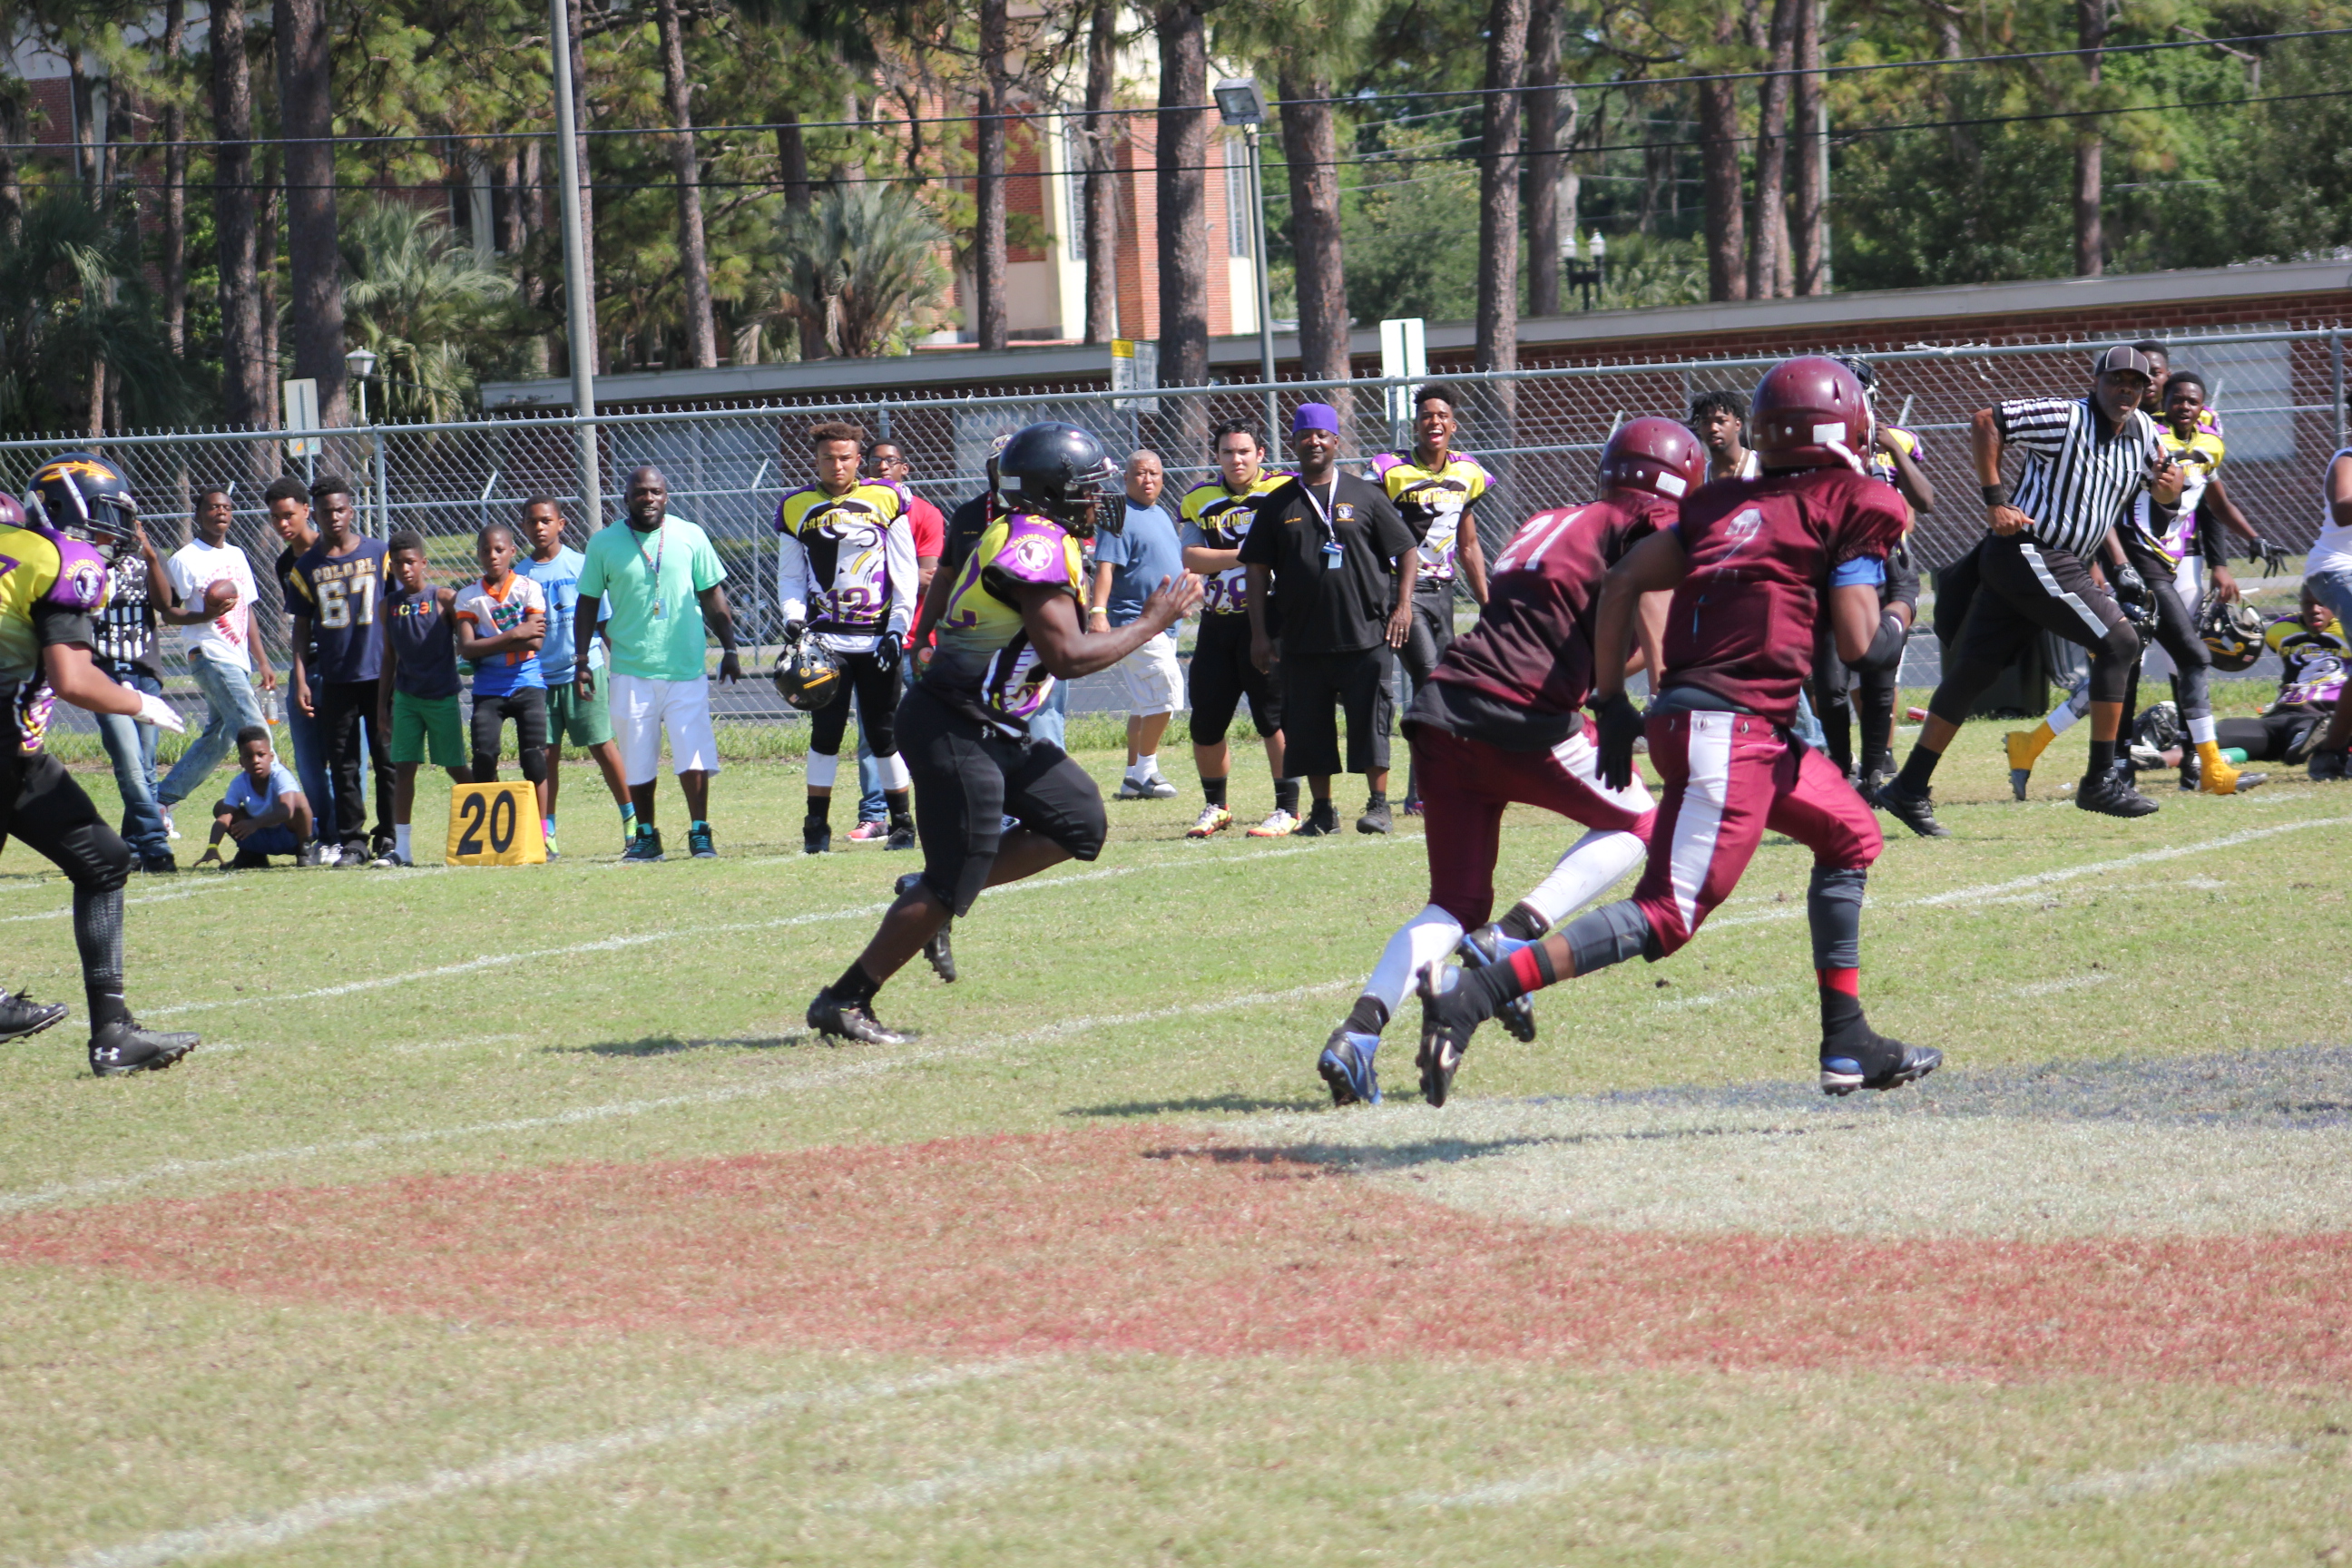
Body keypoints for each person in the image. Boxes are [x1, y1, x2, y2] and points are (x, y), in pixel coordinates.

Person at [1416, 359, 1936, 1104]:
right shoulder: (1855, 500)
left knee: (1850, 834)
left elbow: (1626, 580)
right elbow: (1863, 647)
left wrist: (1610, 702)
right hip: (1732, 729)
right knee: (1667, 914)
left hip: (1704, 719)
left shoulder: (1720, 502)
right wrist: (1902, 605)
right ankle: (1477, 992)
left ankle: (1847, 1039)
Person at [1317, 418, 1698, 1107]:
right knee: (1641, 822)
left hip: (1444, 708)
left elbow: (1575, 636)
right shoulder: (1646, 531)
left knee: (1454, 903)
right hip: (1521, 716)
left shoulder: (1548, 521)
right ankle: (1512, 938)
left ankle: (1358, 1035)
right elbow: (1662, 657)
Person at [805, 421, 1201, 1044]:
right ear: (1050, 491)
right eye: (1088, 486)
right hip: (954, 724)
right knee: (951, 877)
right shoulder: (1034, 547)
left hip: (991, 724)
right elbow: (1068, 656)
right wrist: (1153, 621)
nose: (1099, 498)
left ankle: (932, 890)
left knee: (1079, 821)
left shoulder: (1036, 533)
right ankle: (845, 999)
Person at [1875, 346, 2185, 835]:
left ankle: (1908, 787)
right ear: (2097, 381)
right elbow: (1986, 421)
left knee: (1974, 671)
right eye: (2116, 379)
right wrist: (1995, 501)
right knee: (2121, 641)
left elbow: (2154, 494)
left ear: (2148, 390)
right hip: (2031, 550)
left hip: (2052, 560)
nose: (2125, 389)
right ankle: (2101, 779)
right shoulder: (2066, 416)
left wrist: (2170, 493)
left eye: (2135, 383)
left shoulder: (2145, 433)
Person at [4, 457, 200, 1074]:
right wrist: (139, 702)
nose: (113, 533)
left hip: (14, 751)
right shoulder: (61, 561)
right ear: (63, 511)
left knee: (104, 859)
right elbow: (72, 679)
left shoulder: (15, 551)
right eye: (106, 516)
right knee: (105, 860)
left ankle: (112, 1034)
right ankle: (110, 1034)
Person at [2002, 367, 2264, 799]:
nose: (2179, 403)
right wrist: (2109, 562)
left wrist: (2242, 544)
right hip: (2138, 558)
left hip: (2167, 560)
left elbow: (2208, 502)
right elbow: (2103, 500)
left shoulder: (2205, 441)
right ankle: (2209, 768)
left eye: (2191, 399)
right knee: (2192, 655)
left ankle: (2032, 743)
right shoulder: (2139, 436)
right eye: (2169, 393)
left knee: (2122, 666)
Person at [1240, 402, 1418, 837]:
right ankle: (1322, 812)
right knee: (1307, 728)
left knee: (1372, 722)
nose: (1314, 442)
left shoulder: (1365, 495)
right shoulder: (1278, 503)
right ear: (1294, 443)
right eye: (1306, 435)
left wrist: (1403, 605)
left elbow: (1406, 549)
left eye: (1322, 435)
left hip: (1366, 634)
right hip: (1302, 639)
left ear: (1336, 441)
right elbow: (1256, 569)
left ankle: (1378, 807)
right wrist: (1259, 633)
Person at [573, 465, 742, 862]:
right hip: (631, 668)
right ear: (626, 498)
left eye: (655, 492)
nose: (648, 498)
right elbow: (588, 602)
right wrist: (581, 660)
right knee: (637, 758)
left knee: (693, 752)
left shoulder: (691, 535)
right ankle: (647, 836)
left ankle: (700, 831)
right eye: (639, 492)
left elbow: (712, 596)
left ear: (666, 496)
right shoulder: (603, 543)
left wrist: (731, 649)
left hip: (685, 666)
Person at [775, 421, 918, 854]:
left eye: (844, 458)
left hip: (876, 637)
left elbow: (904, 570)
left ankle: (902, 824)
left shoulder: (888, 498)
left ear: (859, 459)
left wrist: (897, 627)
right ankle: (815, 826)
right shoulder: (795, 506)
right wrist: (794, 619)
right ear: (815, 460)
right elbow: (791, 575)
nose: (836, 466)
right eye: (827, 458)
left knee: (884, 733)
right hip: (826, 642)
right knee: (825, 734)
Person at [1367, 383, 1493, 814]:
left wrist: (1487, 602)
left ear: (1453, 425)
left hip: (1443, 592)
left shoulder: (1467, 471)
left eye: (1441, 415)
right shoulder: (1390, 469)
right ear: (1416, 424)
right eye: (1426, 415)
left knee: (1440, 686)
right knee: (1431, 678)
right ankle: (1424, 790)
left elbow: (1469, 544)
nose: (1434, 421)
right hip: (1403, 592)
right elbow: (1367, 527)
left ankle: (1431, 784)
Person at [1809, 359, 1933, 789]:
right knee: (1830, 683)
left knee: (1881, 674)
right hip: (1832, 568)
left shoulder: (1894, 440)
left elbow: (1919, 506)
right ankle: (1841, 766)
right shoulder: (1816, 443)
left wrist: (1891, 449)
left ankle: (1876, 769)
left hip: (1886, 564)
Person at [1177, 419, 1298, 838]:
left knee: (1272, 717)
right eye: (1227, 452)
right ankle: (1216, 805)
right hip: (1217, 621)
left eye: (1244, 451)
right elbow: (1191, 557)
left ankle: (1288, 808)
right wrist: (1249, 554)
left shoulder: (1284, 489)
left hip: (1269, 619)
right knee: (1206, 719)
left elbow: (1293, 547)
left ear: (1260, 453)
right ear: (1217, 456)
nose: (1236, 459)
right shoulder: (1200, 497)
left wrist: (1232, 555)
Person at [92, 498, 226, 872]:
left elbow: (166, 608)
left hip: (144, 672)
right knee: (130, 763)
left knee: (146, 766)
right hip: (105, 674)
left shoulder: (147, 558)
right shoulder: (86, 559)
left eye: (127, 518)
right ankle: (154, 844)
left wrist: (151, 555)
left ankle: (133, 846)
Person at [286, 475, 396, 867]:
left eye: (340, 509)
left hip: (379, 674)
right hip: (335, 677)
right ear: (314, 514)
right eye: (326, 511)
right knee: (344, 764)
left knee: (387, 759)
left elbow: (397, 607)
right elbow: (301, 629)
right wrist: (300, 678)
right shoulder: (306, 566)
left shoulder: (380, 553)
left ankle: (390, 834)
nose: (333, 517)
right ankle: (353, 841)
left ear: (351, 511)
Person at [156, 484, 273, 833]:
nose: (221, 512)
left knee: (220, 737)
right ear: (198, 515)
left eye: (226, 507)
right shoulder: (185, 559)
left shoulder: (237, 555)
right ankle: (277, 808)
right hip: (208, 654)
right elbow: (168, 612)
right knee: (255, 730)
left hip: (235, 657)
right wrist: (203, 616)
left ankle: (159, 803)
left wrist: (262, 660)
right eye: (212, 507)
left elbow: (247, 611)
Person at [522, 497, 633, 858]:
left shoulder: (581, 564)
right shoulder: (520, 575)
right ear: (524, 527)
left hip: (584, 671)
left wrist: (623, 668)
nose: (540, 527)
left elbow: (603, 620)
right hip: (539, 678)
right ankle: (546, 831)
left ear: (561, 524)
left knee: (602, 745)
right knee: (545, 754)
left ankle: (633, 821)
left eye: (546, 520)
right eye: (532, 522)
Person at [848, 438, 945, 843]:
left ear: (905, 468)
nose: (882, 467)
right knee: (872, 732)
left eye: (891, 461)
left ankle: (939, 806)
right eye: (875, 461)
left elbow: (929, 577)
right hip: (870, 638)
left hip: (918, 637)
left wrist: (879, 572)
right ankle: (874, 815)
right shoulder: (852, 510)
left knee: (931, 728)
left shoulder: (925, 513)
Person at [1092, 449, 1185, 800]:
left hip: (1164, 624)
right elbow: (1105, 567)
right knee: (1166, 694)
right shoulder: (1120, 514)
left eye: (1154, 474)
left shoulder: (1160, 513)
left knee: (1145, 704)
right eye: (1141, 473)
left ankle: (1132, 778)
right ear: (1127, 478)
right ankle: (1147, 772)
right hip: (1136, 621)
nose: (1148, 480)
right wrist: (1098, 612)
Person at [376, 531, 471, 867]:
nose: (405, 569)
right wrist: (382, 707)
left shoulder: (444, 598)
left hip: (441, 696)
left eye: (410, 562)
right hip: (406, 698)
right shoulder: (388, 606)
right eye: (398, 563)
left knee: (455, 767)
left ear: (423, 563)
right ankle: (402, 848)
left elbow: (467, 638)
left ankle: (488, 821)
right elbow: (389, 657)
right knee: (403, 768)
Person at [454, 522, 550, 804]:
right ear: (478, 554)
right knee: (483, 758)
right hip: (489, 686)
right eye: (486, 551)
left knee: (535, 759)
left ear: (512, 551)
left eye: (499, 549)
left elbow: (536, 643)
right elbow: (467, 649)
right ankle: (494, 819)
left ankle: (543, 826)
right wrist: (516, 633)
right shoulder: (468, 597)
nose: (493, 556)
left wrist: (487, 644)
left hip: (527, 681)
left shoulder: (528, 588)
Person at [265, 477, 336, 855]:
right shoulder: (285, 564)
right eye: (275, 517)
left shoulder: (335, 550)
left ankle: (347, 834)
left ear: (307, 510)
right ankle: (325, 833)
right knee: (308, 761)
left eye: (289, 515)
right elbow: (300, 623)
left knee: (345, 757)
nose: (282, 524)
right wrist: (300, 674)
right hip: (307, 666)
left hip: (343, 666)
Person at [2302, 432, 2352, 779]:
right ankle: (2331, 751)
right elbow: (2343, 508)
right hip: (2337, 569)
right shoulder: (2346, 460)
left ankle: (2331, 751)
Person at [193, 726, 314, 869]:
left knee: (298, 800)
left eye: (261, 755)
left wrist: (254, 823)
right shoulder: (239, 783)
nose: (255, 760)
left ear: (271, 757)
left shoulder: (281, 775)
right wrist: (212, 846)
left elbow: (286, 812)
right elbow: (224, 818)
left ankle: (304, 850)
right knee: (221, 807)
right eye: (248, 757)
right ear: (241, 762)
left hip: (289, 836)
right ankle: (253, 854)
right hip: (260, 835)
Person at [1688, 389, 1760, 482]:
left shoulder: (1760, 465)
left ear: (1737, 424)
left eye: (1720, 421)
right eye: (1706, 422)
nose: (1713, 428)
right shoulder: (1700, 477)